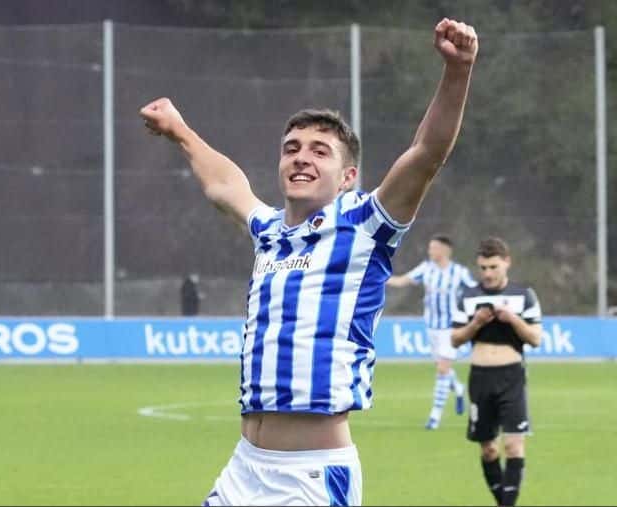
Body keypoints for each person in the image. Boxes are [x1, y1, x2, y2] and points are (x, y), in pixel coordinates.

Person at [140, 17, 478, 506]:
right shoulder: (270, 232)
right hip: (244, 469)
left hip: (312, 478)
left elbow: (426, 154)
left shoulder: (365, 225)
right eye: (291, 149)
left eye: (320, 152)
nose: (301, 158)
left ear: (348, 177)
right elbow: (225, 186)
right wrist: (180, 131)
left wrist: (457, 71)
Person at [450, 237, 542, 507]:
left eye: (493, 267)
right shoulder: (467, 296)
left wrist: (513, 319)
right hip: (480, 377)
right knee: (489, 449)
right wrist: (475, 323)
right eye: (483, 268)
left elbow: (535, 338)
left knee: (514, 445)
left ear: (507, 263)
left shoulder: (524, 295)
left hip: (511, 376)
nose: (488, 273)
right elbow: (455, 339)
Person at [387, 234, 476, 430]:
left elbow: (475, 292)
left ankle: (434, 417)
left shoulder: (459, 273)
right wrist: (379, 278)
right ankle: (458, 388)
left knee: (443, 368)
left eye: (434, 247)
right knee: (442, 367)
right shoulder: (426, 269)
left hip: (451, 328)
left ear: (445, 250)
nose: (430, 251)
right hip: (431, 327)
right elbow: (403, 281)